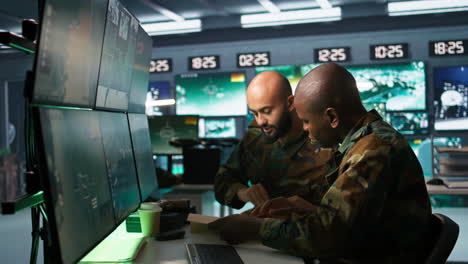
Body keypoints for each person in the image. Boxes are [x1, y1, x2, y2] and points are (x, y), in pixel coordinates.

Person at [209, 63, 432, 263]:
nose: (305, 129)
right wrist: (309, 209)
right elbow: (353, 222)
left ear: (332, 117)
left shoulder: (372, 151)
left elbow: (330, 235)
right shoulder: (365, 142)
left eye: (306, 121)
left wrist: (255, 229)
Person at [214, 71, 333, 209]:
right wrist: (244, 193)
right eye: (254, 113)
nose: (260, 121)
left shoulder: (324, 137)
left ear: (290, 103)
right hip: (264, 226)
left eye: (266, 111)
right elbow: (223, 181)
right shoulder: (256, 137)